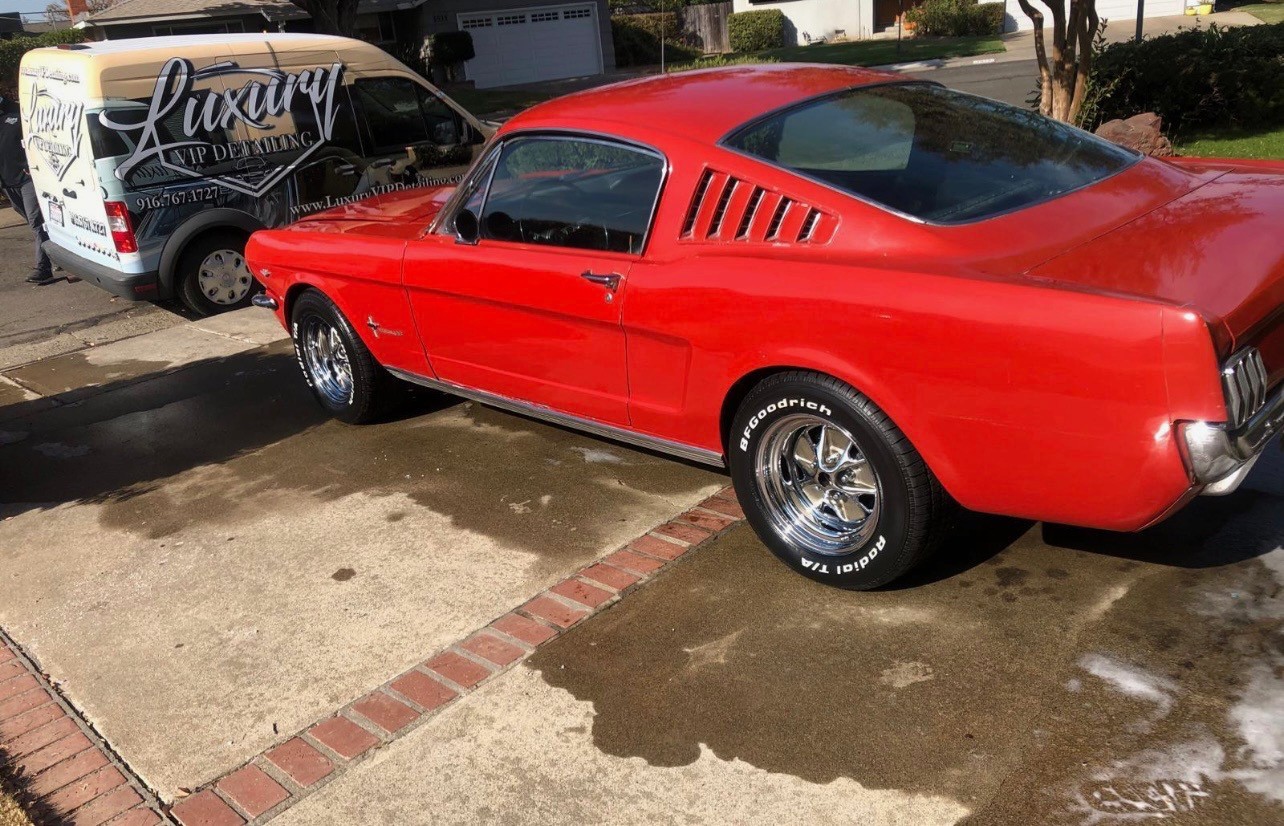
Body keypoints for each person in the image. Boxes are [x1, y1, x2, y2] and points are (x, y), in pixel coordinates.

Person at [0, 93, 53, 285]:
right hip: (7, 183)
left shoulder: (16, 112)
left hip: (27, 180)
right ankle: (59, 251)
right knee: (37, 221)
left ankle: (43, 268)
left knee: (36, 221)